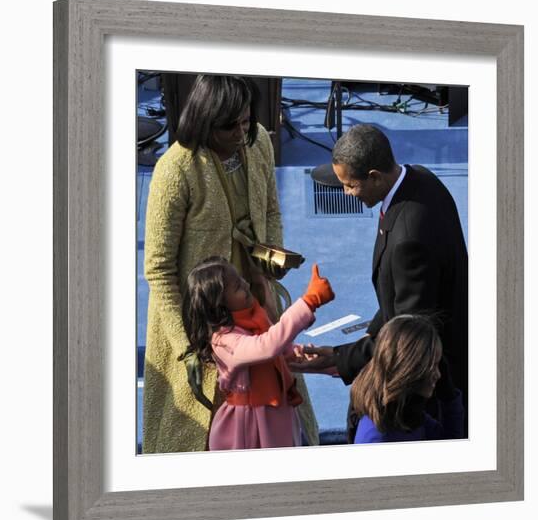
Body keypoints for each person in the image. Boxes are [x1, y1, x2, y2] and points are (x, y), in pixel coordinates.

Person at [142, 74, 319, 453]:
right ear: (206, 123)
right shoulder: (175, 170)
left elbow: (270, 210)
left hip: (253, 299)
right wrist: (188, 347)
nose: (242, 132)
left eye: (245, 120)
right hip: (199, 319)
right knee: (201, 431)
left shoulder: (257, 144)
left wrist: (269, 264)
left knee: (273, 396)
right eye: (231, 126)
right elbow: (158, 268)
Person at [290, 124, 468, 439]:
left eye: (350, 185)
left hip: (427, 392)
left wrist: (338, 360)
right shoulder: (421, 180)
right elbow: (394, 305)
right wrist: (341, 353)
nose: (345, 193)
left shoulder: (408, 241)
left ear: (374, 176)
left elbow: (407, 336)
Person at [182, 257, 334, 450]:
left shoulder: (253, 317)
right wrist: (310, 301)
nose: (245, 285)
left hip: (278, 413)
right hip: (249, 427)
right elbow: (267, 346)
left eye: (241, 280)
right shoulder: (223, 341)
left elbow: (276, 349)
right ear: (219, 305)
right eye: (237, 286)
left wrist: (300, 353)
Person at [351, 315, 464, 443]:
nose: (438, 375)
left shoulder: (406, 413)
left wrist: (448, 396)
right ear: (409, 368)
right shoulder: (376, 438)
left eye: (439, 365)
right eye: (431, 366)